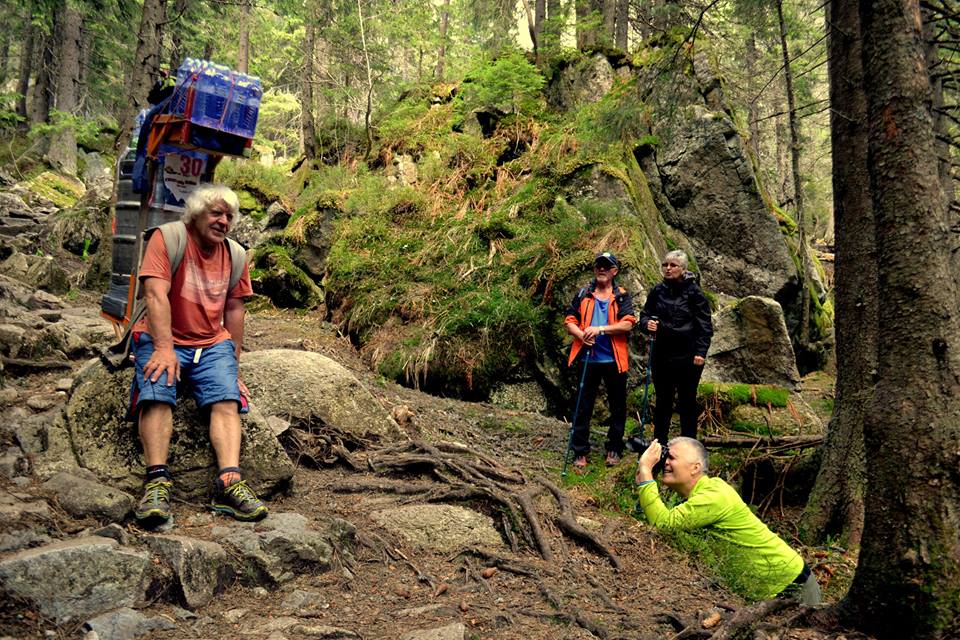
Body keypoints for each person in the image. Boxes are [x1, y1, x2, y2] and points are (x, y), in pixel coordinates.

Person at [131, 184, 267, 527]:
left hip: (211, 342)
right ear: (196, 214)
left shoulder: (236, 254)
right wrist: (163, 347)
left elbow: (235, 309)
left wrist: (233, 366)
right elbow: (154, 293)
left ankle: (229, 484)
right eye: (216, 213)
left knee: (226, 399)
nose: (223, 221)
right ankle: (157, 482)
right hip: (164, 335)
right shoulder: (168, 238)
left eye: (229, 216)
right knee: (158, 393)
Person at [636, 437, 821, 604]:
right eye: (665, 457)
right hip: (768, 589)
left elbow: (664, 524)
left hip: (791, 584)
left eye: (672, 457)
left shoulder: (715, 495)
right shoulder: (705, 493)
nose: (665, 462)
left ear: (695, 467)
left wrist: (645, 471)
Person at [563, 252, 637, 472]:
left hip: (614, 359)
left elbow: (628, 324)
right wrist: (580, 334)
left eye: (607, 266)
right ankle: (580, 451)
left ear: (614, 271)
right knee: (582, 405)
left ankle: (614, 447)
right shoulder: (584, 293)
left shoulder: (622, 296)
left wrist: (600, 329)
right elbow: (569, 320)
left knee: (617, 406)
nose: (601, 269)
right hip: (588, 357)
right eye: (598, 266)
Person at [638, 250, 713, 443]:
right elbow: (644, 315)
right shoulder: (657, 291)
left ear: (683, 269)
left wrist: (701, 352)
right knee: (663, 400)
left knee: (687, 400)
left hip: (688, 357)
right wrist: (648, 324)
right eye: (665, 265)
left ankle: (689, 444)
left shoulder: (695, 292)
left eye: (673, 265)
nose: (668, 268)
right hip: (662, 355)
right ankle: (659, 444)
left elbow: (705, 325)